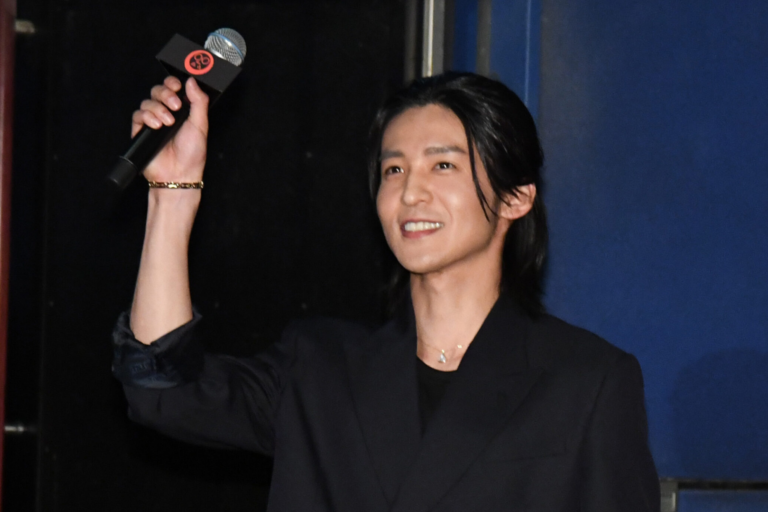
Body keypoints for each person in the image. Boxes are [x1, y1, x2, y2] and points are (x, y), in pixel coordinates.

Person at [112, 72, 660, 511]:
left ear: (515, 198)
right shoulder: (319, 367)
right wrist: (171, 192)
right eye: (393, 170)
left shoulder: (586, 380)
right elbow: (162, 391)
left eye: (442, 165)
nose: (410, 192)